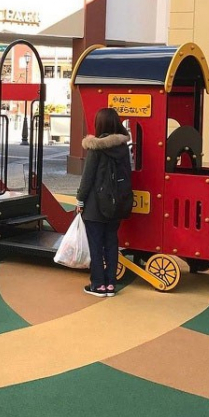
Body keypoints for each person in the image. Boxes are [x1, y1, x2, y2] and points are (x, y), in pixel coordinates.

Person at [76, 107, 132, 297]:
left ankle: (98, 285)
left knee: (96, 245)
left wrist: (80, 200)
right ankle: (110, 285)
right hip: (116, 204)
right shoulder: (123, 148)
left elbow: (87, 178)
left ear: (99, 124)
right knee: (111, 243)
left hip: (95, 206)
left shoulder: (96, 147)